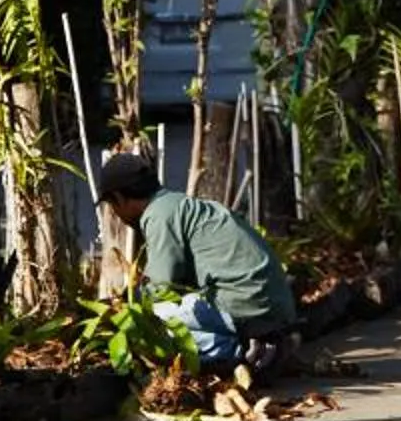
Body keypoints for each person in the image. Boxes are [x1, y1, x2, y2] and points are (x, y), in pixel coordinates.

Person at [94, 151, 300, 378]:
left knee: (143, 323)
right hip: (271, 303)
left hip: (243, 303)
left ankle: (240, 352)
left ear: (119, 198)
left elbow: (161, 288)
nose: (115, 213)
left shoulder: (158, 215)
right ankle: (264, 344)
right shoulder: (178, 204)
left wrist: (121, 307)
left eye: (112, 205)